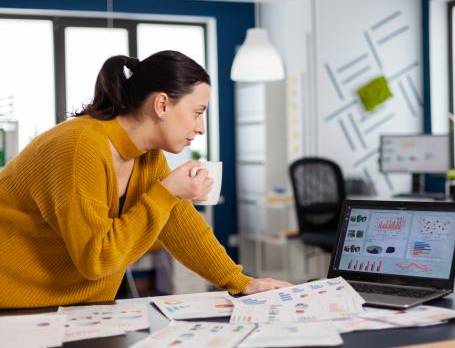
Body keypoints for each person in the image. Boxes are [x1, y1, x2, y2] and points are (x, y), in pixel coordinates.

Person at [0, 50, 291, 308]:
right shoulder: (80, 147)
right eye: (197, 113)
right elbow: (97, 258)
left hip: (72, 310)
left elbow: (184, 228)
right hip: (13, 304)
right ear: (162, 104)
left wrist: (239, 281)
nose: (201, 128)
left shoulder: (147, 157)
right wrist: (166, 193)